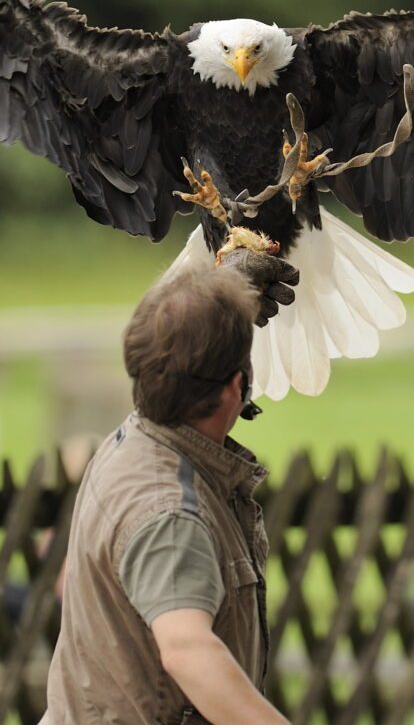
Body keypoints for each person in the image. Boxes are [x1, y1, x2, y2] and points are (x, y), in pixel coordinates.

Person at [41, 250, 298, 725]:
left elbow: (169, 342)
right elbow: (186, 650)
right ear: (237, 388)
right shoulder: (168, 514)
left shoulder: (138, 437)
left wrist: (224, 289)